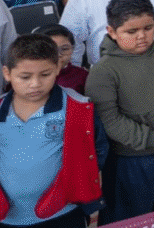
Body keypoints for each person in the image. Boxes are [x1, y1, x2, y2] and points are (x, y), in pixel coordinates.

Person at [85, 0, 154, 223]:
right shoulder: (103, 71)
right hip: (129, 161)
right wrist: (151, 138)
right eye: (131, 31)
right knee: (131, 217)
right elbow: (109, 120)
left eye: (148, 27)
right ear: (112, 32)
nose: (142, 36)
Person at [0, 34, 107, 228]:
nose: (35, 84)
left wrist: (77, 182)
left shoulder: (78, 107)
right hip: (7, 218)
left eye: (45, 74)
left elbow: (97, 150)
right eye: (25, 77)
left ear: (57, 68)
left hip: (62, 213)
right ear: (7, 73)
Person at [35, 24, 89, 95]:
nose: (58, 54)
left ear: (72, 49)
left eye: (64, 49)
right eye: (50, 49)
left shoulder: (83, 76)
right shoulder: (28, 76)